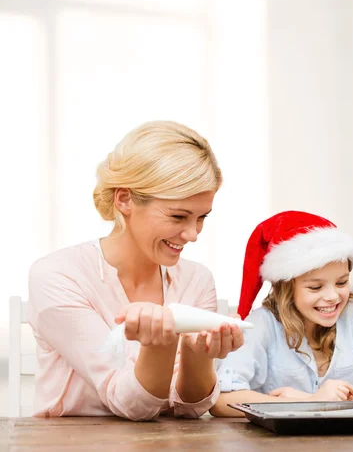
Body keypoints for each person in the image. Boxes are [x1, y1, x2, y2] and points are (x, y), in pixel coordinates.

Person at [28, 121, 243, 420]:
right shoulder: (58, 275)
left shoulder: (198, 280)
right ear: (125, 199)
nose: (193, 234)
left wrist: (198, 355)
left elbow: (190, 408)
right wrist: (160, 345)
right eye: (178, 216)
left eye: (201, 217)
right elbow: (130, 404)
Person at [210, 211, 353, 417]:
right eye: (315, 287)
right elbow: (222, 400)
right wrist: (312, 401)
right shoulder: (262, 323)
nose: (333, 296)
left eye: (341, 282)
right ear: (286, 288)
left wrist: (325, 402)